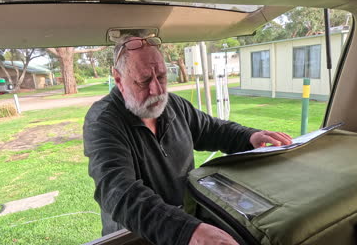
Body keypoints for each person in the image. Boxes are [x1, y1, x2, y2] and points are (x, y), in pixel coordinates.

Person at [83, 34, 292, 245]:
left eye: (162, 77)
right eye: (144, 80)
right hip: (136, 236)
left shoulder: (174, 106)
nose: (157, 90)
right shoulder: (102, 121)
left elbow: (213, 129)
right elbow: (118, 191)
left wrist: (250, 137)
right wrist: (187, 231)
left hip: (187, 223)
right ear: (118, 80)